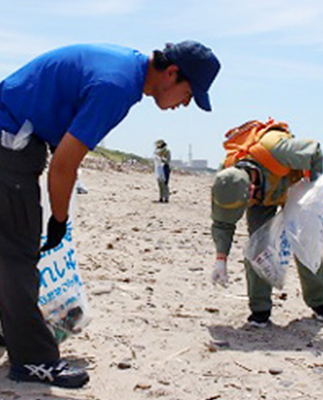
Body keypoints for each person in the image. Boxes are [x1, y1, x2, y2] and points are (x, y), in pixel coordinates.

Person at [0, 40, 220, 388]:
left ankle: (12, 329)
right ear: (172, 73)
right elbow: (63, 165)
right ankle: (32, 359)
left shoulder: (125, 66)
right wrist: (59, 221)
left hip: (11, 133)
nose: (185, 104)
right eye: (189, 94)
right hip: (9, 142)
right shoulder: (118, 87)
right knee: (17, 252)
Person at [211, 119, 323, 327]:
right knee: (258, 247)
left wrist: (312, 190)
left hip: (293, 188)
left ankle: (319, 303)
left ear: (249, 190)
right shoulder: (226, 179)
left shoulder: (275, 148)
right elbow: (223, 223)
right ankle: (260, 311)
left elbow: (314, 151)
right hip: (265, 200)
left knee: (305, 243)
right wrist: (220, 259)